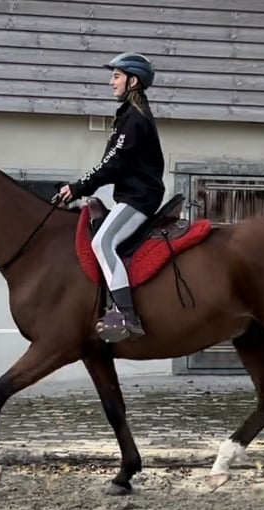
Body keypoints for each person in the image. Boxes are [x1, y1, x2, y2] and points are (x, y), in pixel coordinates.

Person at [57, 52, 166, 342]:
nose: (111, 82)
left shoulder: (134, 119)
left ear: (133, 81)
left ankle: (127, 318)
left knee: (102, 243)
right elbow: (111, 163)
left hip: (139, 197)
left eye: (116, 76)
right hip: (132, 195)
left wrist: (78, 187)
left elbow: (112, 164)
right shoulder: (129, 116)